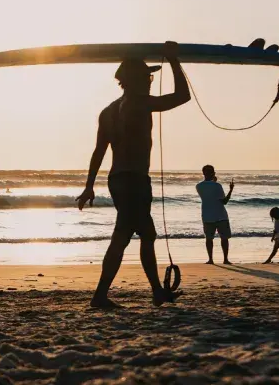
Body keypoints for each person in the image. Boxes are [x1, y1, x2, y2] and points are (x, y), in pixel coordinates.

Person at [77, 43, 191, 309]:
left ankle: (154, 292)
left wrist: (89, 186)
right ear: (133, 80)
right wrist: (174, 61)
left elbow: (98, 152)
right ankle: (101, 296)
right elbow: (182, 96)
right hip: (134, 180)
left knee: (144, 233)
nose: (150, 81)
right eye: (146, 77)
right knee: (125, 236)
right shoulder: (139, 103)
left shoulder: (107, 112)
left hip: (117, 179)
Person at [196, 165, 234, 264]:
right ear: (213, 173)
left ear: (203, 173)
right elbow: (224, 201)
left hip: (207, 215)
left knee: (209, 239)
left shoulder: (199, 186)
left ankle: (210, 259)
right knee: (224, 238)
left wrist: (214, 181)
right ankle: (225, 259)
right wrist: (231, 190)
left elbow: (209, 194)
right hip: (221, 215)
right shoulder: (217, 186)